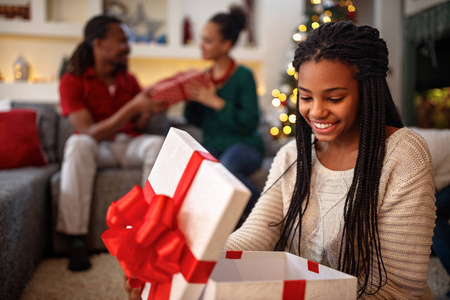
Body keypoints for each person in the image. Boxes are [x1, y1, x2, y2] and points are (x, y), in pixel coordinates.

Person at [125, 22, 436, 300]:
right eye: (305, 96)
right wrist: (186, 266)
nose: (316, 112)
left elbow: (399, 289)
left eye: (334, 98)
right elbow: (256, 234)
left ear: (368, 92)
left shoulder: (402, 155)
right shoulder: (292, 155)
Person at [57, 15, 166, 272]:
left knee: (159, 144)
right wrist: (132, 108)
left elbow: (139, 125)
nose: (128, 46)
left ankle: (151, 232)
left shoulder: (129, 81)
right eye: (122, 41)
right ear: (99, 44)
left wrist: (149, 111)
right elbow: (87, 131)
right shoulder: (72, 81)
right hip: (99, 147)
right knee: (77, 144)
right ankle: (76, 240)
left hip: (129, 144)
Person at [184, 5, 265, 226]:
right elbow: (195, 120)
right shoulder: (203, 78)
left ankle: (267, 217)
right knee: (193, 171)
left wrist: (216, 102)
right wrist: (190, 99)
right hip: (214, 144)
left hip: (244, 144)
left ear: (226, 44)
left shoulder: (244, 76)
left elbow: (250, 122)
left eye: (208, 41)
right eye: (202, 39)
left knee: (225, 170)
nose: (201, 45)